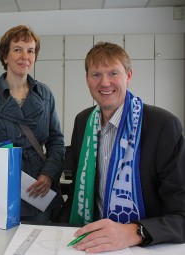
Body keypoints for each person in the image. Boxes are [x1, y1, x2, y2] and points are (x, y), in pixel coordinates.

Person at [62, 42, 185, 253]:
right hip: (91, 241)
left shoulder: (162, 125)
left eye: (113, 73)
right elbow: (77, 191)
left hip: (143, 246)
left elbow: (181, 214)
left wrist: (134, 232)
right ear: (87, 80)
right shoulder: (82, 121)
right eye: (96, 74)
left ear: (128, 76)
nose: (105, 82)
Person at [0, 25, 65, 222]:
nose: (25, 56)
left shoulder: (45, 94)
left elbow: (56, 141)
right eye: (17, 49)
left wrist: (49, 174)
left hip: (37, 188)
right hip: (0, 186)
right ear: (5, 56)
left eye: (30, 50)